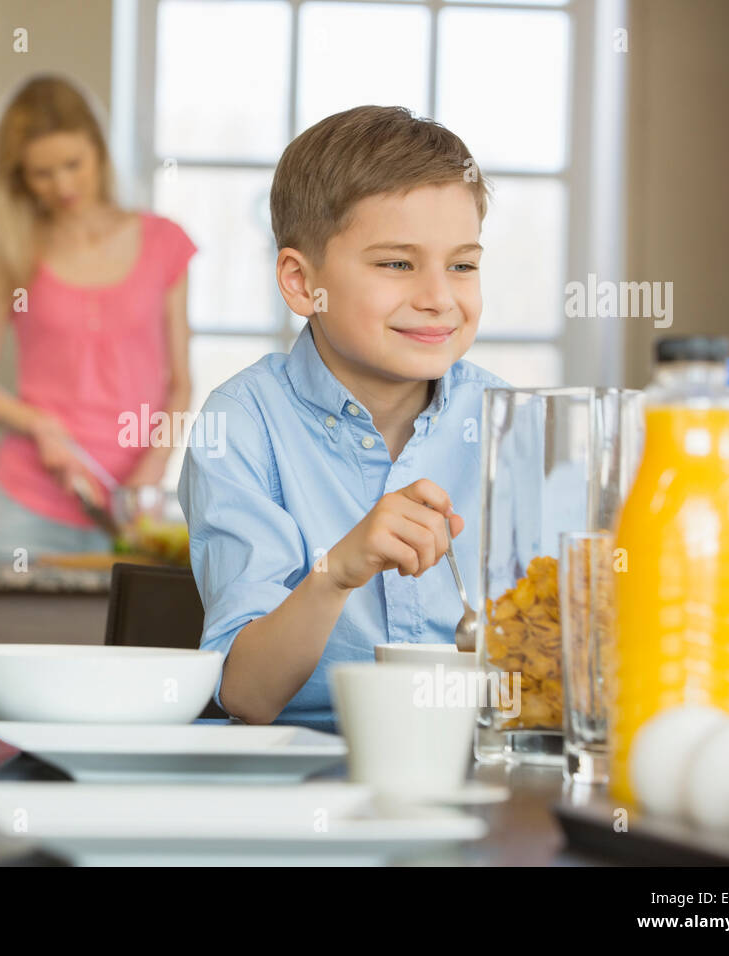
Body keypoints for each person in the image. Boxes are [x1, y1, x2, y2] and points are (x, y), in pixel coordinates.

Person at [178, 106, 509, 726]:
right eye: (396, 264)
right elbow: (248, 695)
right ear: (302, 283)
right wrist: (337, 572)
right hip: (297, 780)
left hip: (473, 763)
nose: (439, 297)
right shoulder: (244, 424)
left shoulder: (508, 424)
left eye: (462, 265)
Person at [0, 75, 197, 559]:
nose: (63, 185)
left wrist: (150, 475)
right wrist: (39, 426)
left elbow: (181, 384)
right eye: (42, 173)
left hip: (131, 503)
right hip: (28, 503)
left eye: (74, 164)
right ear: (19, 177)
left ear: (99, 151)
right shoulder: (14, 253)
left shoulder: (163, 243)